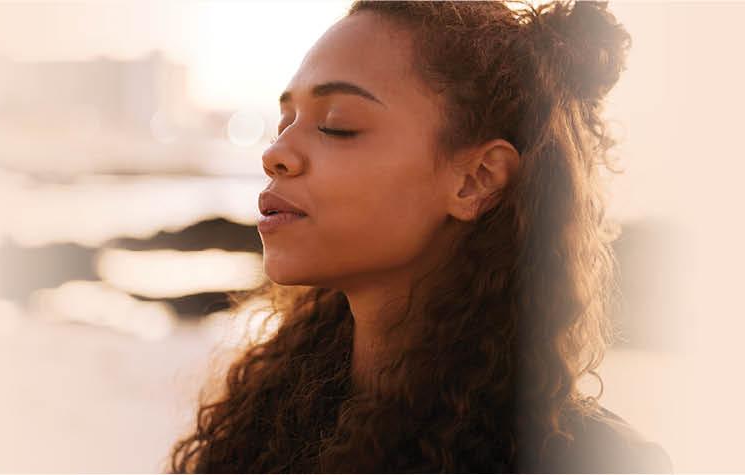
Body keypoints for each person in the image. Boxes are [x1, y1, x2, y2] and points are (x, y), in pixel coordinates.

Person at [170, 1, 670, 472]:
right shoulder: (265, 425)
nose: (275, 153)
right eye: (285, 121)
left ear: (476, 179)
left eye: (337, 125)